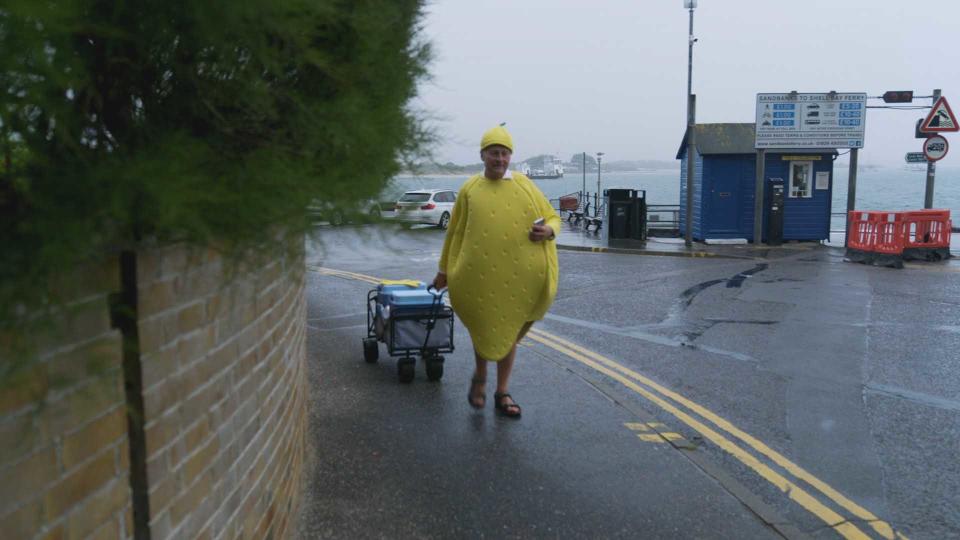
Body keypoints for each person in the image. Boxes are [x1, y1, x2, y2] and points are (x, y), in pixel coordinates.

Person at [431, 125, 560, 418]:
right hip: (477, 277)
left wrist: (548, 230)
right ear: (483, 155)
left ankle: (502, 391)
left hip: (520, 278)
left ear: (510, 156)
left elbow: (553, 216)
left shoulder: (525, 185)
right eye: (493, 153)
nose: (499, 159)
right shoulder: (469, 189)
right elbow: (454, 234)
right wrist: (443, 271)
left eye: (504, 153)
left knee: (509, 330)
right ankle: (480, 377)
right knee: (485, 326)